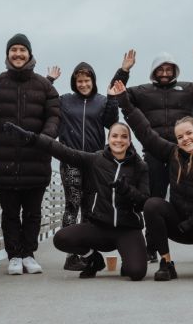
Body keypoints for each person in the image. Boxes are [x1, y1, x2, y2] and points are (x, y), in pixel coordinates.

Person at [112, 80, 193, 281]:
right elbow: (146, 133)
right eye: (180, 137)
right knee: (153, 204)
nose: (185, 139)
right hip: (180, 223)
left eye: (189, 133)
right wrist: (125, 103)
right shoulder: (173, 154)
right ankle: (167, 263)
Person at [4, 120, 149, 281]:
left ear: (129, 141)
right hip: (100, 228)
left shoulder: (140, 167)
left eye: (124, 137)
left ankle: (127, 259)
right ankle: (94, 259)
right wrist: (32, 138)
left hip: (127, 230)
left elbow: (144, 202)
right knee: (61, 239)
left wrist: (127, 190)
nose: (119, 140)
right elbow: (64, 151)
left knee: (136, 273)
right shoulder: (96, 159)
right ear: (109, 139)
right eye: (114, 136)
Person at [111, 48, 193, 262]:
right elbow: (115, 92)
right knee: (154, 200)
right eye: (160, 69)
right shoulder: (142, 91)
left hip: (185, 153)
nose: (165, 72)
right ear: (153, 72)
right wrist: (124, 70)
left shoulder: (188, 89)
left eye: (169, 68)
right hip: (155, 153)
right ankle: (152, 247)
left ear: (175, 70)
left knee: (191, 198)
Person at [0, 33, 60, 275]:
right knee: (9, 213)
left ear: (29, 54)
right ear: (8, 54)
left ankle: (29, 254)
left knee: (32, 213)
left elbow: (54, 116)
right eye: (13, 50)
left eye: (22, 50)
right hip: (5, 161)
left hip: (36, 159)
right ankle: (14, 256)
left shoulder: (44, 85)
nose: (18, 54)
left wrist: (46, 137)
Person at [47, 63, 118, 271]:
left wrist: (112, 98)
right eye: (80, 81)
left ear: (93, 81)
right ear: (74, 83)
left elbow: (112, 122)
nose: (84, 84)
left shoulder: (102, 101)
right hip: (70, 159)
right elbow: (45, 100)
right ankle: (71, 255)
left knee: (89, 210)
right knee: (72, 205)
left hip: (94, 161)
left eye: (87, 80)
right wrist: (49, 80)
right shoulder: (65, 101)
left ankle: (86, 253)